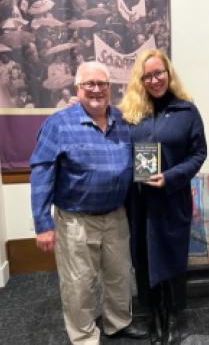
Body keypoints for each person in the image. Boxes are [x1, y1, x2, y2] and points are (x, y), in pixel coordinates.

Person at [30, 61, 147, 345]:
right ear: (77, 89)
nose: (96, 90)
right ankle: (83, 336)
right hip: (75, 220)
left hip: (116, 216)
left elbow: (143, 158)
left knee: (119, 276)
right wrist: (43, 224)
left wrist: (154, 177)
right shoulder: (58, 124)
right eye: (89, 84)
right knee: (79, 283)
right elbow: (41, 173)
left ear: (110, 88)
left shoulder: (123, 120)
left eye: (102, 84)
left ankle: (117, 323)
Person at [118, 49, 207, 345]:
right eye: (148, 76)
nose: (155, 80)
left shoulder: (187, 111)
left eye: (159, 73)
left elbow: (199, 154)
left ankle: (170, 316)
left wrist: (171, 177)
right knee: (143, 258)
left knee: (170, 257)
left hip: (171, 199)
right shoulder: (130, 115)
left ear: (168, 73)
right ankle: (153, 313)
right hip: (139, 202)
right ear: (140, 80)